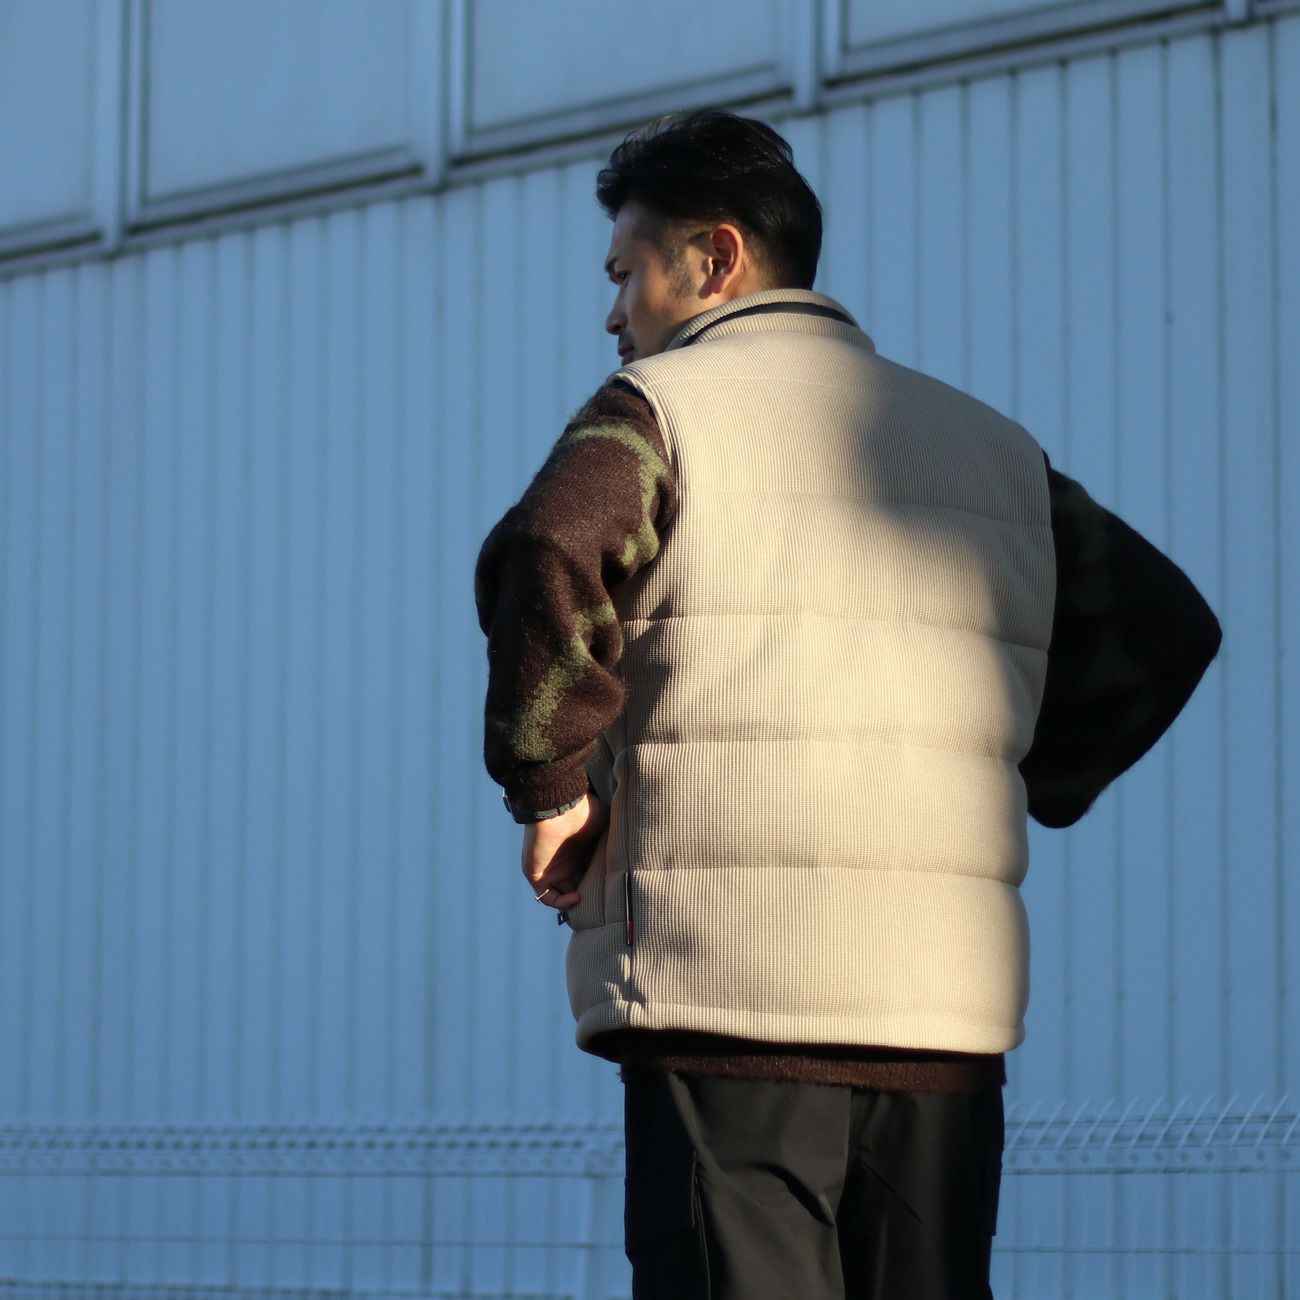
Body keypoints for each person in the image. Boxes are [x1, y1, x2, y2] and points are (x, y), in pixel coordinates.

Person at [473, 109, 1222, 1300]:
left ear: (714, 258)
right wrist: (1019, 769)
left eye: (625, 272)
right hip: (941, 1011)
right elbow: (1166, 623)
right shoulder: (995, 450)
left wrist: (549, 786)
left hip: (724, 998)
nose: (613, 313)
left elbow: (549, 550)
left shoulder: (657, 410)